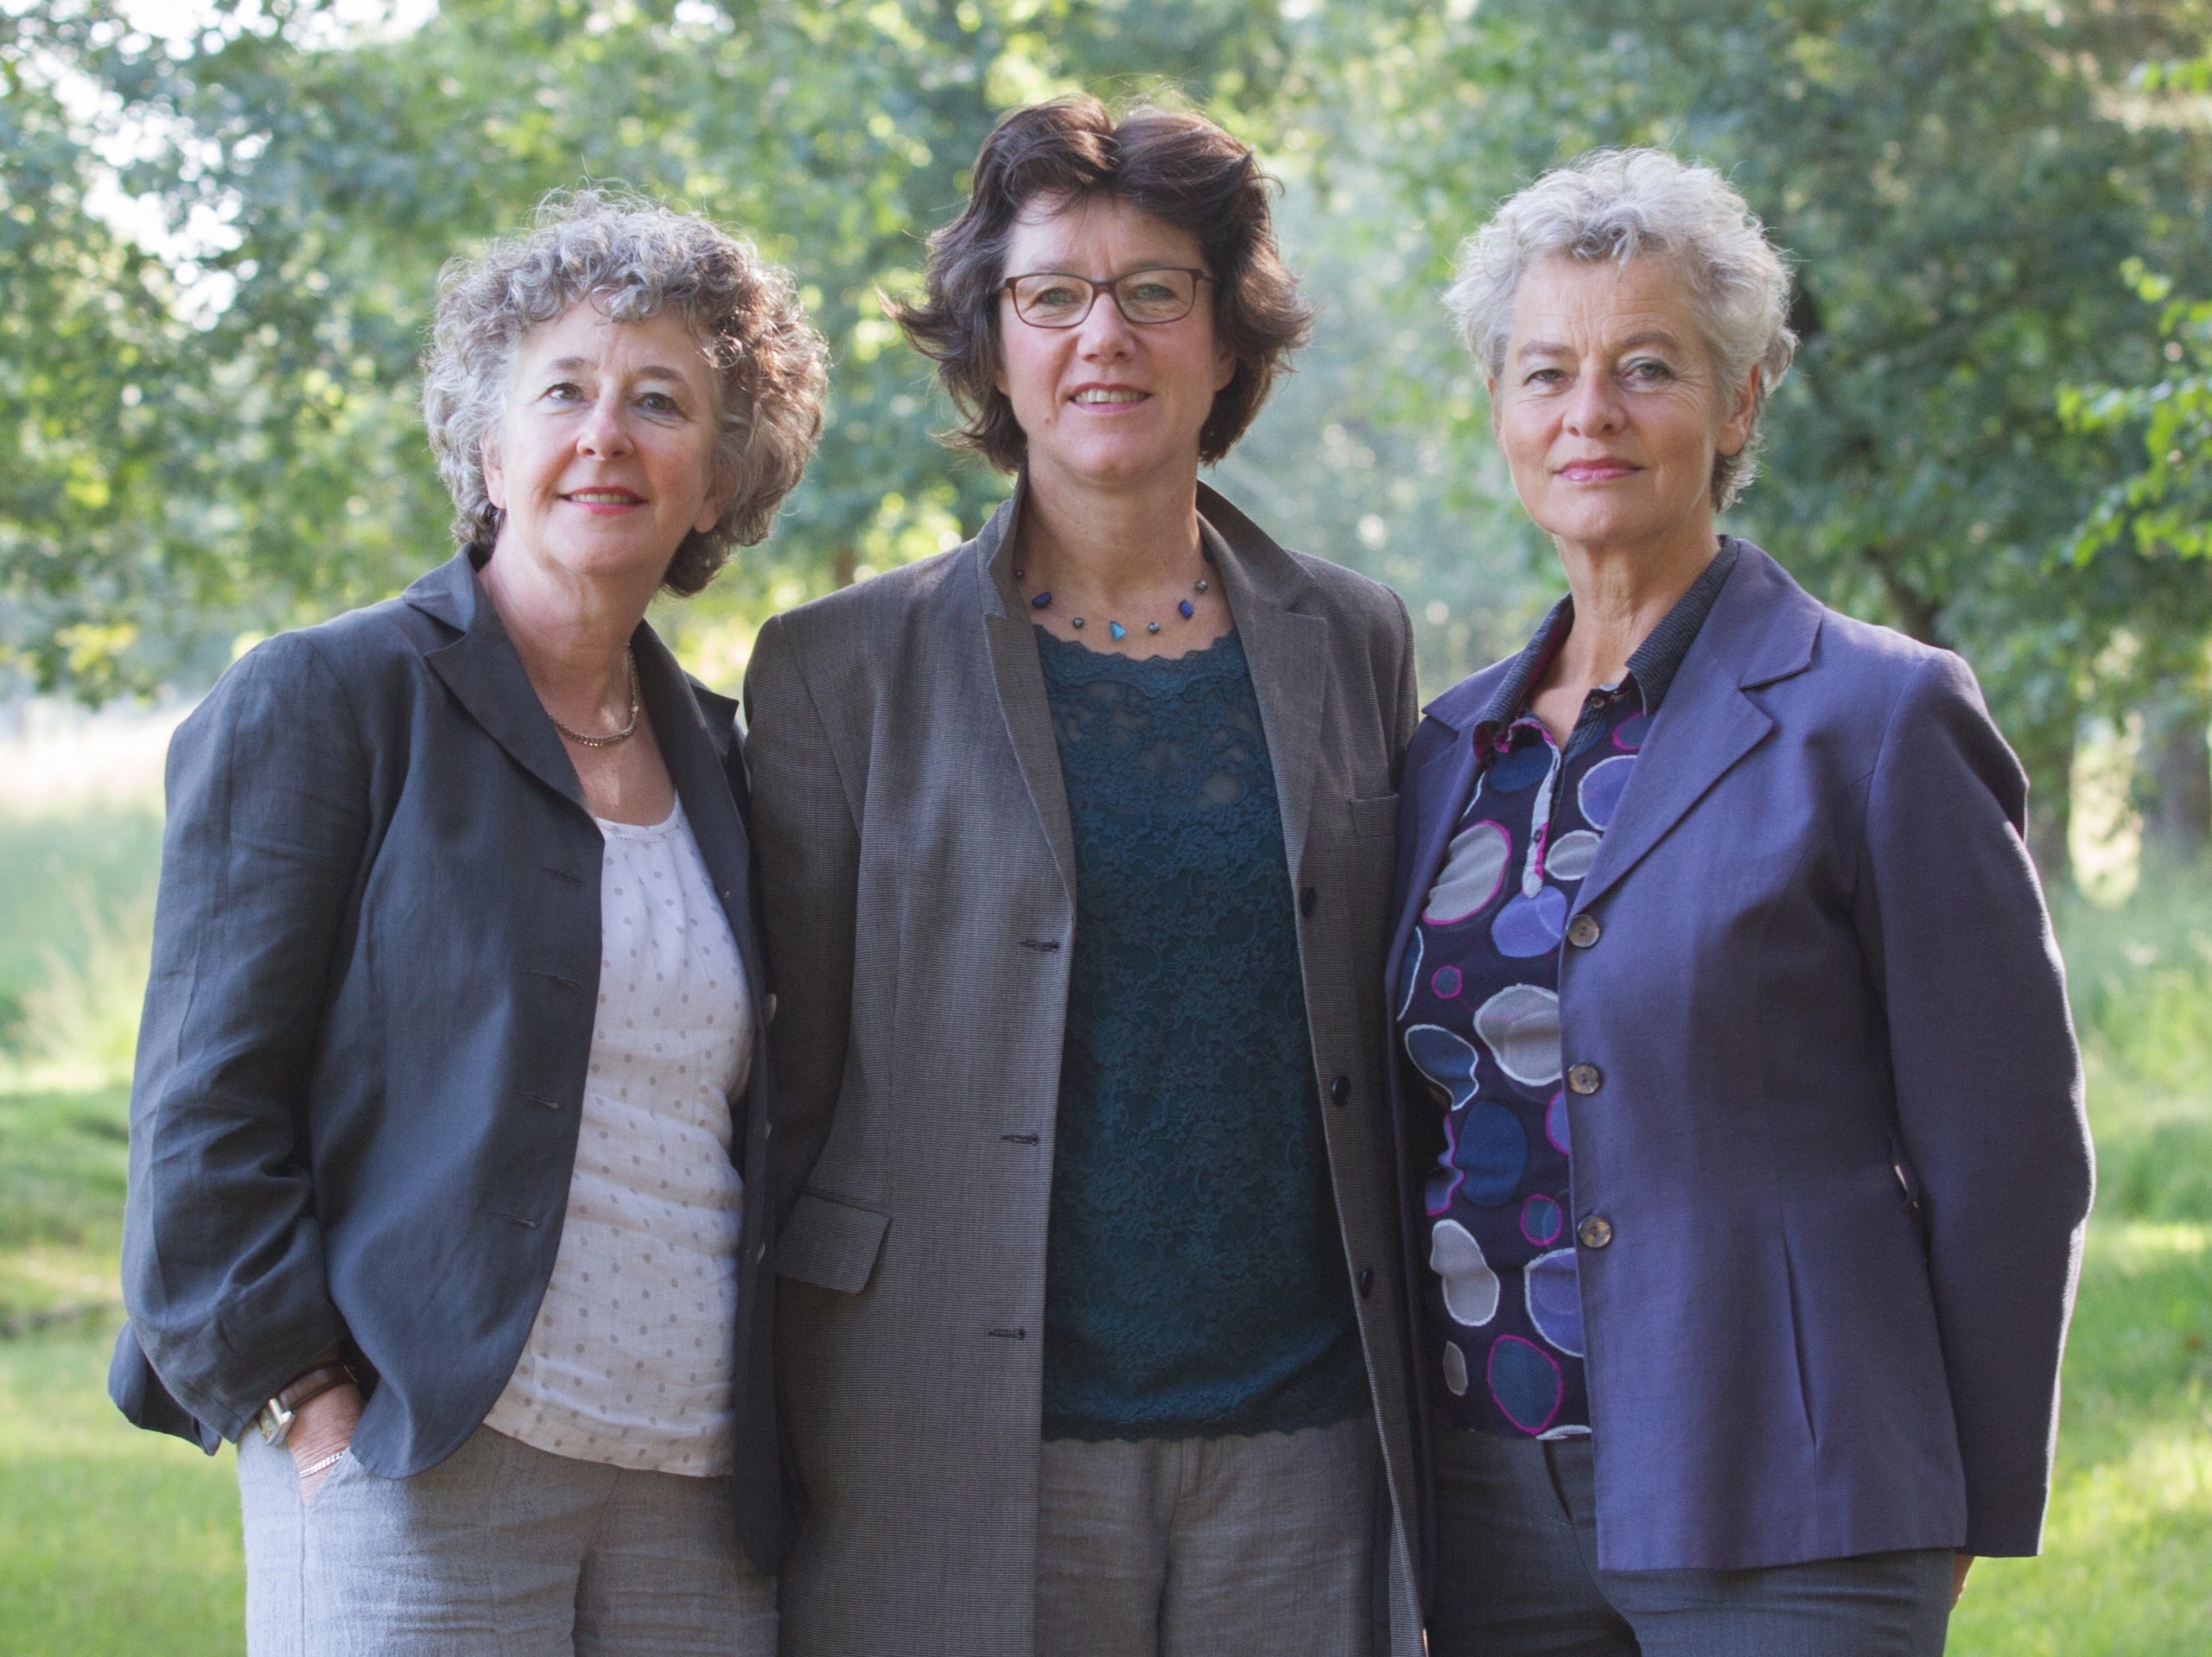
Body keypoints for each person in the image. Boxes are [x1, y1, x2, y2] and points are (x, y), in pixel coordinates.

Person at [1389, 147, 2094, 1656]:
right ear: (1500, 407)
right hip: (1483, 1503)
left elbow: (2010, 1152)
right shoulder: (1443, 750)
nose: (1590, 411)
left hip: (1798, 1491)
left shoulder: (1880, 715)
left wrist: (1961, 1493)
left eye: (1647, 367)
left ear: (1741, 401)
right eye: (1546, 371)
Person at [745, 98, 1424, 1656]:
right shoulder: (837, 670)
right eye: (1051, 295)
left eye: (1154, 291)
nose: (1102, 336)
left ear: (1228, 339)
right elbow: (783, 1084)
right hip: (955, 1425)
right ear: (992, 346)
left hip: (1307, 1446)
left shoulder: (1354, 638)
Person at [109, 188, 827, 1654]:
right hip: (421, 1460)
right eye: (562, 391)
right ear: (491, 451)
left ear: (719, 480)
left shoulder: (732, 761)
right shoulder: (331, 699)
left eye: (660, 402)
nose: (606, 435)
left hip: (698, 1495)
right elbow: (202, 1109)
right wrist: (309, 1397)